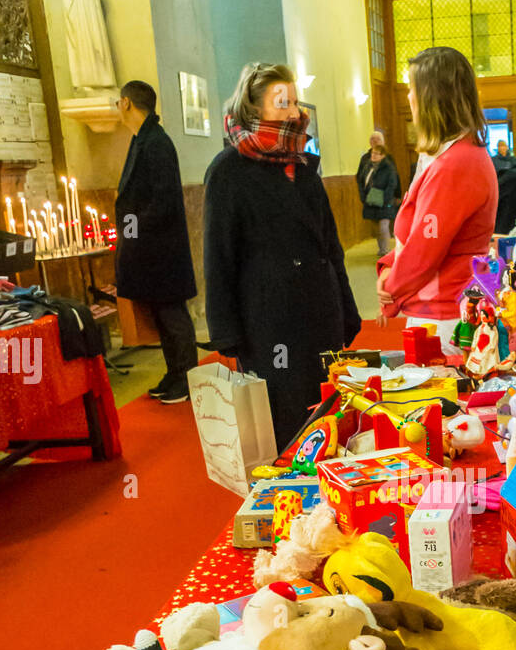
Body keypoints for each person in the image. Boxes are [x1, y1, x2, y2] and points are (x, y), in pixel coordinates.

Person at [203, 62, 361, 450]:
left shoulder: (304, 167)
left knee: (328, 416)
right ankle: (290, 501)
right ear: (254, 109)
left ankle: (329, 498)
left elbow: (331, 247)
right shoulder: (228, 171)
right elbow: (218, 256)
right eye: (282, 102)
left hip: (321, 315)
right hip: (269, 322)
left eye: (295, 101)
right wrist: (227, 333)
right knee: (286, 423)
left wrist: (347, 309)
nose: (294, 112)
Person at [377, 46, 497, 344]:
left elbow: (424, 250)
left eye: (412, 88)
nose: (409, 98)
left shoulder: (457, 163)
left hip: (446, 315)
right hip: (442, 308)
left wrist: (390, 286)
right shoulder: (449, 155)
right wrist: (390, 263)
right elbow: (418, 234)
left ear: (432, 97)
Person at [114, 80, 198, 404]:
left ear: (126, 104)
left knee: (172, 314)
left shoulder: (156, 143)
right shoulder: (142, 139)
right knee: (162, 315)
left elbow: (162, 202)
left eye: (117, 102)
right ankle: (174, 372)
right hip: (149, 249)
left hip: (162, 249)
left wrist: (130, 235)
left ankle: (187, 378)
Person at [357, 140, 401, 257]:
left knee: (383, 226)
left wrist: (384, 198)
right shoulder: (367, 166)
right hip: (370, 199)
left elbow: (392, 184)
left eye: (376, 154)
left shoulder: (389, 168)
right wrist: (363, 196)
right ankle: (381, 248)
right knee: (376, 227)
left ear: (383, 156)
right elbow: (361, 181)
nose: (373, 156)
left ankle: (385, 250)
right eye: (372, 153)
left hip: (384, 199)